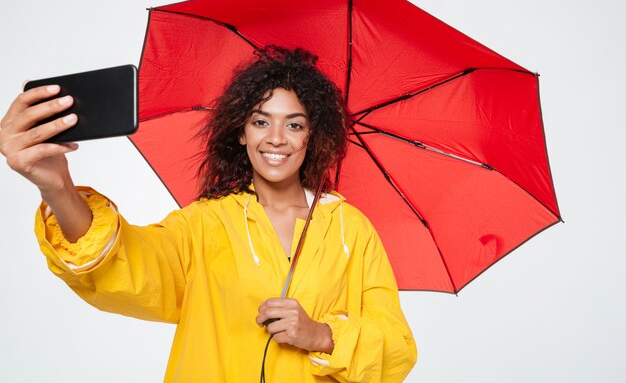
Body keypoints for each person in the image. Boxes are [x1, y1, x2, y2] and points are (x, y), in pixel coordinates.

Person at [0, 46, 417, 382]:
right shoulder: (204, 224)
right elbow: (125, 264)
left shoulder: (351, 231)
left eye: (294, 125)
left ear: (313, 134)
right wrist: (57, 187)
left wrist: (321, 335)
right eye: (260, 121)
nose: (276, 138)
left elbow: (396, 350)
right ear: (240, 131)